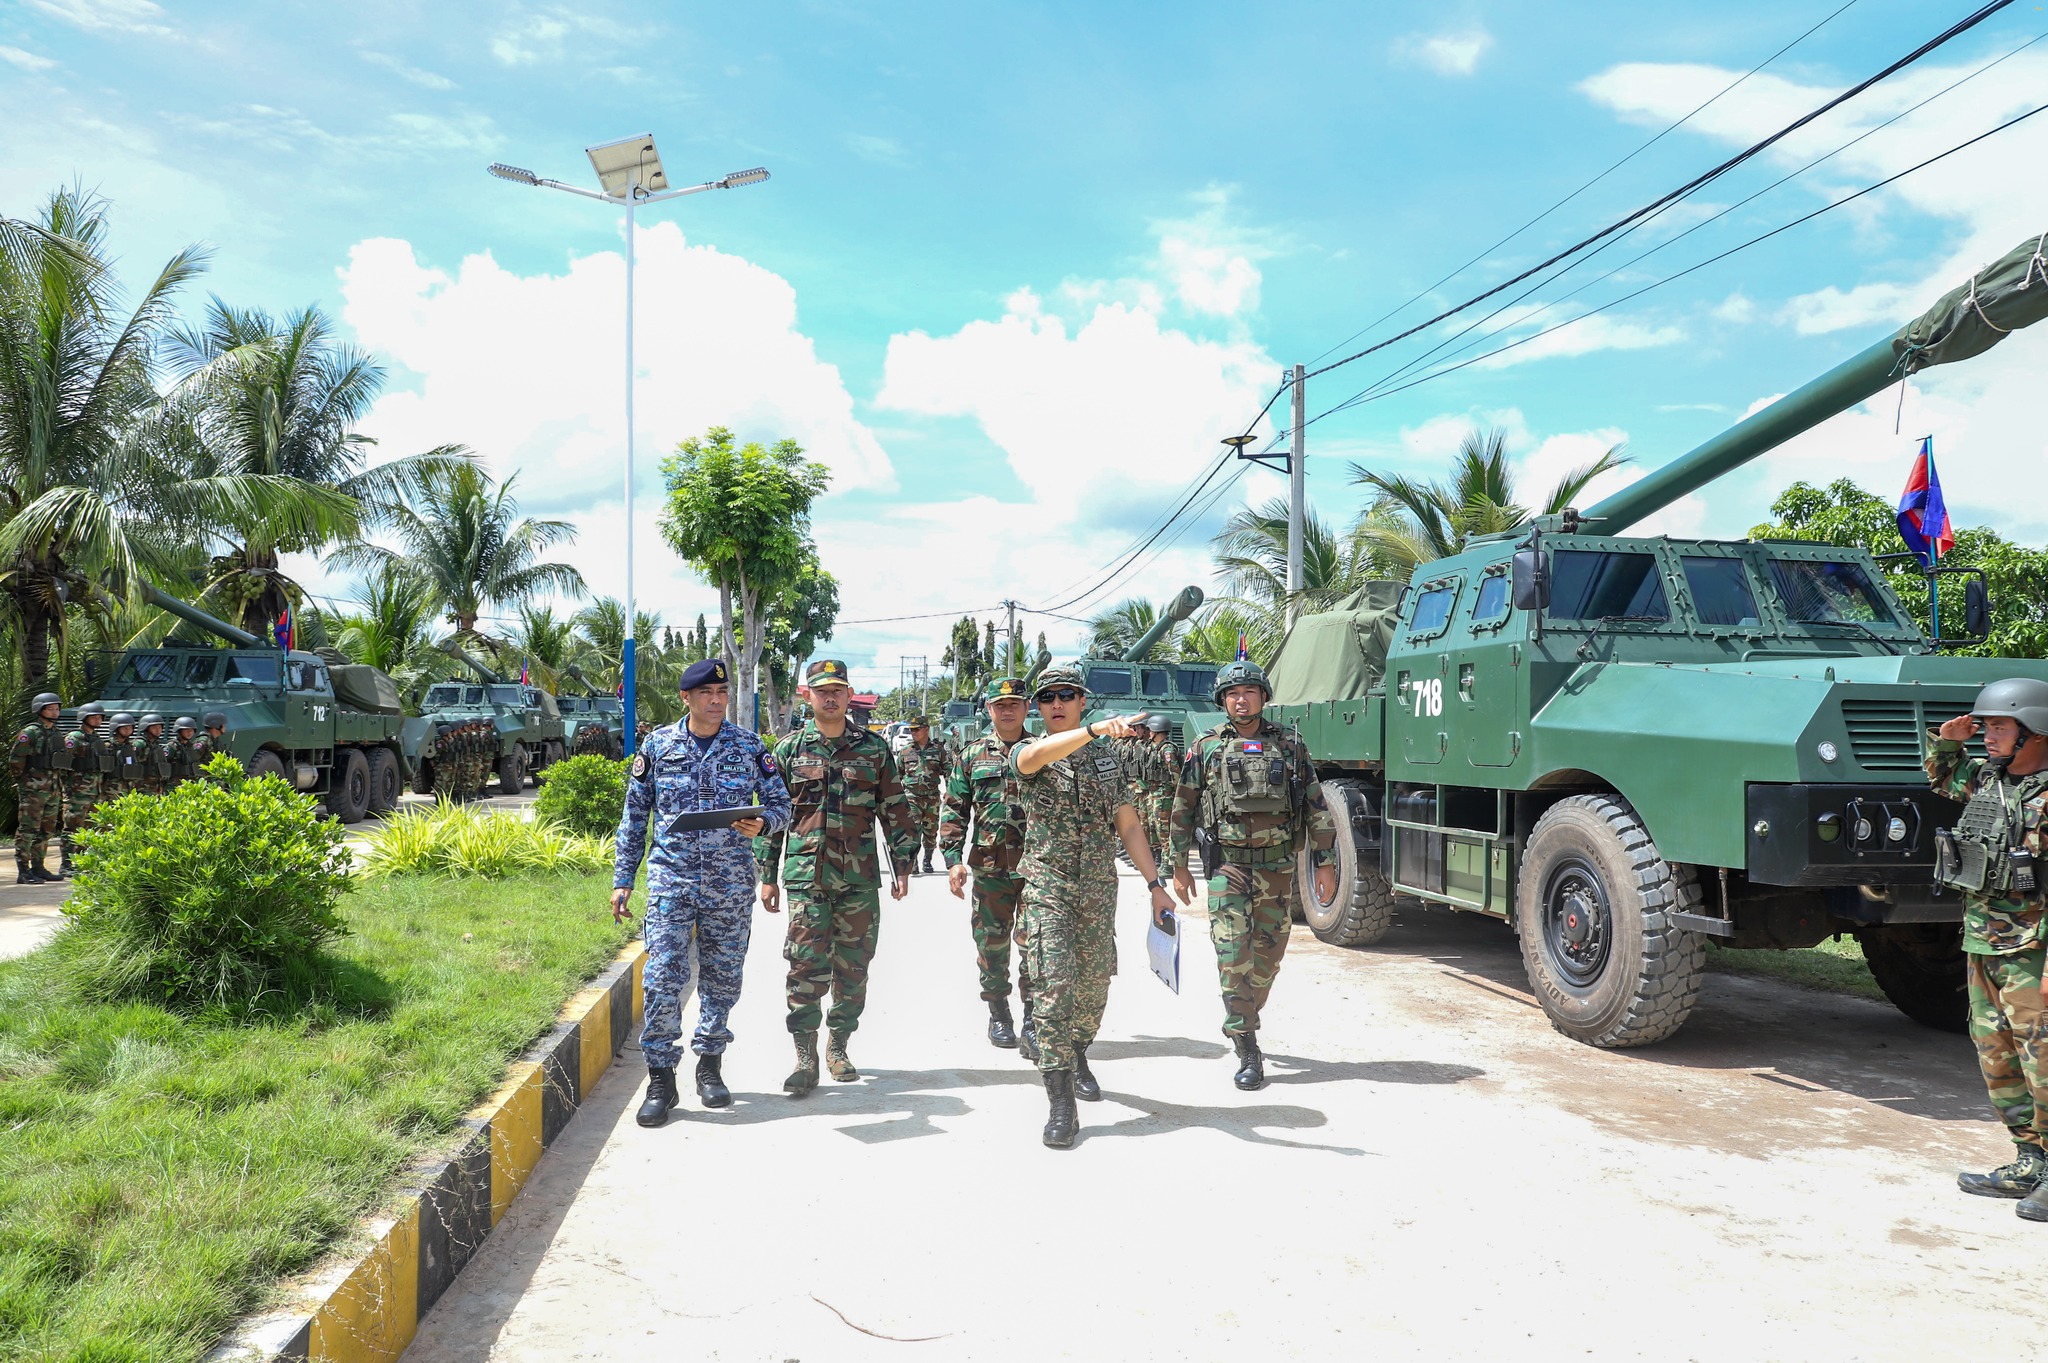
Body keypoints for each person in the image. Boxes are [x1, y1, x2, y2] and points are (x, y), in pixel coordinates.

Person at [613, 659, 792, 1126]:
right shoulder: (658, 746)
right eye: (707, 693)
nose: (717, 700)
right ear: (686, 698)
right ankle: (660, 1078)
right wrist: (623, 879)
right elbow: (635, 816)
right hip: (671, 880)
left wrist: (763, 824)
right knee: (662, 979)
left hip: (729, 883)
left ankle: (710, 1065)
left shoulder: (749, 746)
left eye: (722, 692)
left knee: (722, 978)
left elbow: (781, 804)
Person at [1010, 665, 1176, 1149]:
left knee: (1092, 990)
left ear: (1081, 700)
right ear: (1039, 707)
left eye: (1066, 695)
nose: (1056, 704)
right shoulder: (1030, 751)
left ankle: (1077, 1049)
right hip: (1048, 886)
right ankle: (1061, 1099)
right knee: (1053, 986)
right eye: (1047, 697)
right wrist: (1093, 730)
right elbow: (1032, 759)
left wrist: (1156, 885)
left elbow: (1129, 825)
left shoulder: (1107, 760)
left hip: (1098, 889)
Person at [1168, 659, 1338, 1092]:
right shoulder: (1206, 747)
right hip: (1228, 868)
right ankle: (1246, 1043)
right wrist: (1178, 865)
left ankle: (1242, 1013)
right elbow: (1184, 805)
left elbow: (1315, 805)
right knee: (1232, 956)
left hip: (1277, 869)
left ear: (1264, 696)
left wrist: (1325, 862)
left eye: (1248, 691)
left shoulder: (1290, 745)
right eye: (1232, 693)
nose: (1240, 700)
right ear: (1222, 701)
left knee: (1267, 961)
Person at [756, 659, 918, 1095]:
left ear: (849, 695)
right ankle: (805, 1056)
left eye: (837, 690)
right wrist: (767, 874)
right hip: (805, 878)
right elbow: (773, 816)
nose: (830, 698)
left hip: (859, 881)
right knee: (805, 966)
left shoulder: (874, 749)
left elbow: (895, 809)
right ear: (806, 695)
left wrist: (903, 864)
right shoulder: (788, 750)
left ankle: (839, 1045)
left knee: (853, 967)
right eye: (822, 690)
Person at [1928, 678, 2048, 1222]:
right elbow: (1943, 775)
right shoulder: (1989, 781)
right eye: (1986, 726)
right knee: (1997, 1055)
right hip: (1983, 942)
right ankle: (2029, 1160)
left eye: (2000, 726)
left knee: (2042, 1059)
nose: (1988, 735)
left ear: (2035, 732)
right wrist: (1948, 742)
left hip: (2033, 950)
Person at [940, 677, 1033, 1049]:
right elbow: (955, 810)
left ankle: (1033, 1019)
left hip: (1036, 868)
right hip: (990, 868)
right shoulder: (972, 755)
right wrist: (952, 859)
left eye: (1014, 703)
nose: (1007, 710)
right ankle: (999, 1014)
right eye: (1000, 705)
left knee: (1036, 946)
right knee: (991, 945)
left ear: (1026, 708)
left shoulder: (1042, 751)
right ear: (989, 709)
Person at [9, 693, 66, 884]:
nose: (55, 712)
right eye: (50, 709)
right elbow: (16, 759)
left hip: (53, 788)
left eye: (57, 709)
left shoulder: (56, 733)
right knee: (28, 829)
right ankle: (23, 871)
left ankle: (38, 867)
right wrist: (24, 781)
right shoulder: (30, 732)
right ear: (39, 710)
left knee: (46, 830)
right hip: (33, 789)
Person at [58, 701, 113, 878]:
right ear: (84, 718)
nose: (97, 720)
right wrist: (67, 786)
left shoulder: (97, 740)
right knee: (72, 827)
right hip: (77, 792)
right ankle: (66, 864)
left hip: (95, 792)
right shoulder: (74, 738)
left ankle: (82, 863)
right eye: (93, 717)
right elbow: (62, 765)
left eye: (100, 717)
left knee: (90, 829)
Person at [902, 715, 950, 874]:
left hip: (932, 797)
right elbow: (897, 775)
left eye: (917, 729)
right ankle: (914, 862)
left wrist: (949, 791)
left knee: (931, 832)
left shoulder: (938, 750)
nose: (913, 732)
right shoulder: (906, 751)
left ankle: (927, 859)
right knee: (913, 830)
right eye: (911, 730)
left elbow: (948, 772)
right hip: (911, 796)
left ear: (926, 729)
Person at [105, 713, 141, 800]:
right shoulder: (108, 746)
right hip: (111, 788)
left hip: (129, 787)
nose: (127, 730)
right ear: (116, 728)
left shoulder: (131, 746)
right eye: (124, 728)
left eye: (130, 728)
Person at [135, 715, 171, 796]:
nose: (158, 730)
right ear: (146, 728)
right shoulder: (140, 744)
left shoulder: (156, 745)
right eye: (154, 727)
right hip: (142, 786)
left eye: (160, 727)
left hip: (157, 786)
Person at [166, 717, 200, 789]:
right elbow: (163, 765)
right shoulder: (172, 746)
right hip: (174, 785)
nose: (189, 732)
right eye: (186, 730)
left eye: (192, 730)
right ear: (179, 731)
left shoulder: (191, 747)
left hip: (189, 785)